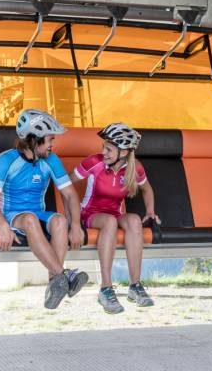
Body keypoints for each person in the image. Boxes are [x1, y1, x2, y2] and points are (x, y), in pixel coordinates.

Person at [0, 109, 88, 309]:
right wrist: (3, 226)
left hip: (36, 213)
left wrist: (75, 226)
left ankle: (54, 284)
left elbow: (71, 195)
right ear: (34, 140)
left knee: (60, 221)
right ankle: (64, 275)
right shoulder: (6, 160)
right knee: (30, 219)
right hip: (11, 216)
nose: (52, 144)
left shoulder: (50, 160)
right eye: (49, 140)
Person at [70, 123, 159, 314]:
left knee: (134, 220)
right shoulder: (94, 162)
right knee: (109, 222)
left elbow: (147, 189)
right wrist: (73, 220)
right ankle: (106, 289)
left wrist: (150, 211)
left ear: (124, 151)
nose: (104, 152)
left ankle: (135, 286)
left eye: (109, 149)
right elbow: (66, 184)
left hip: (114, 214)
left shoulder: (135, 169)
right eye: (104, 147)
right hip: (90, 214)